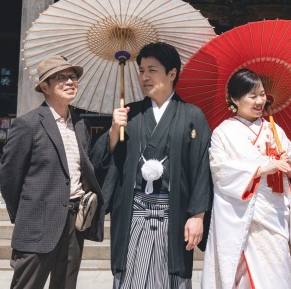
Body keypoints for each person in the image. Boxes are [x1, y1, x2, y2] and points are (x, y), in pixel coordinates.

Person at [91, 41, 212, 288]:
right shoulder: (129, 115)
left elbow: (202, 170)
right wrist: (114, 131)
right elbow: (103, 162)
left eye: (152, 70)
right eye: (141, 70)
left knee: (170, 277)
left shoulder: (192, 115)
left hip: (174, 212)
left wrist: (197, 215)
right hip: (133, 212)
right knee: (130, 277)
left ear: (172, 73)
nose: (144, 77)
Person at [0, 54, 104, 289]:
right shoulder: (27, 124)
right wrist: (27, 213)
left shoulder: (80, 125)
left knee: (66, 284)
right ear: (45, 87)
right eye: (61, 78)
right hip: (38, 221)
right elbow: (9, 177)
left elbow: (84, 171)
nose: (70, 82)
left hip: (75, 221)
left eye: (73, 77)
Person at [201, 68, 291, 289]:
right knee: (243, 279)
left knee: (277, 275)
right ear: (235, 100)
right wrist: (261, 168)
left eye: (262, 94)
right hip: (243, 219)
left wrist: (288, 168)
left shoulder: (275, 130)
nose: (260, 101)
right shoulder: (223, 132)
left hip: (275, 215)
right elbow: (220, 171)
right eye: (252, 95)